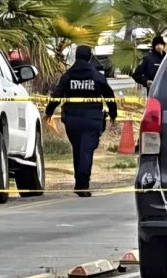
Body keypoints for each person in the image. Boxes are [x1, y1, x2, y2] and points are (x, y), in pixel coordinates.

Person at [45, 45, 118, 198]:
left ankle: (79, 183)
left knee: (78, 149)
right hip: (91, 118)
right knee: (86, 151)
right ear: (90, 57)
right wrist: (113, 114)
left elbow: (57, 95)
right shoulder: (96, 75)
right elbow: (109, 95)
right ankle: (82, 184)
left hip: (72, 119)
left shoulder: (68, 75)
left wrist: (49, 111)